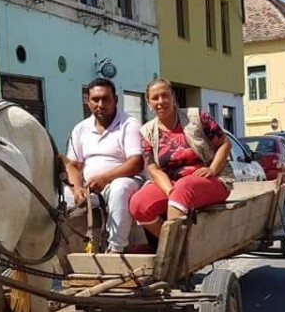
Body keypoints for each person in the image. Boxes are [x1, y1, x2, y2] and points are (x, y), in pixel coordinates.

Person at [129, 78, 233, 239]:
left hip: (212, 180)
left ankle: (175, 253)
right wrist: (170, 191)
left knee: (185, 186)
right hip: (173, 185)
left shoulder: (197, 117)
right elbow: (153, 168)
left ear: (173, 98)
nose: (161, 101)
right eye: (155, 98)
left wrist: (212, 169)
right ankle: (172, 243)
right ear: (148, 103)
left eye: (165, 96)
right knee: (138, 204)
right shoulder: (147, 132)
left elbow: (225, 144)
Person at [65, 78, 144, 253]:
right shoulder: (80, 129)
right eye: (95, 99)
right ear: (87, 101)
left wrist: (105, 178)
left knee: (119, 188)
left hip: (126, 181)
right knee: (58, 199)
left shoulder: (129, 124)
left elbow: (136, 162)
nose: (100, 104)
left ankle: (116, 249)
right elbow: (72, 165)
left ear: (115, 99)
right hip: (90, 186)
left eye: (105, 99)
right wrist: (77, 188)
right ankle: (57, 252)